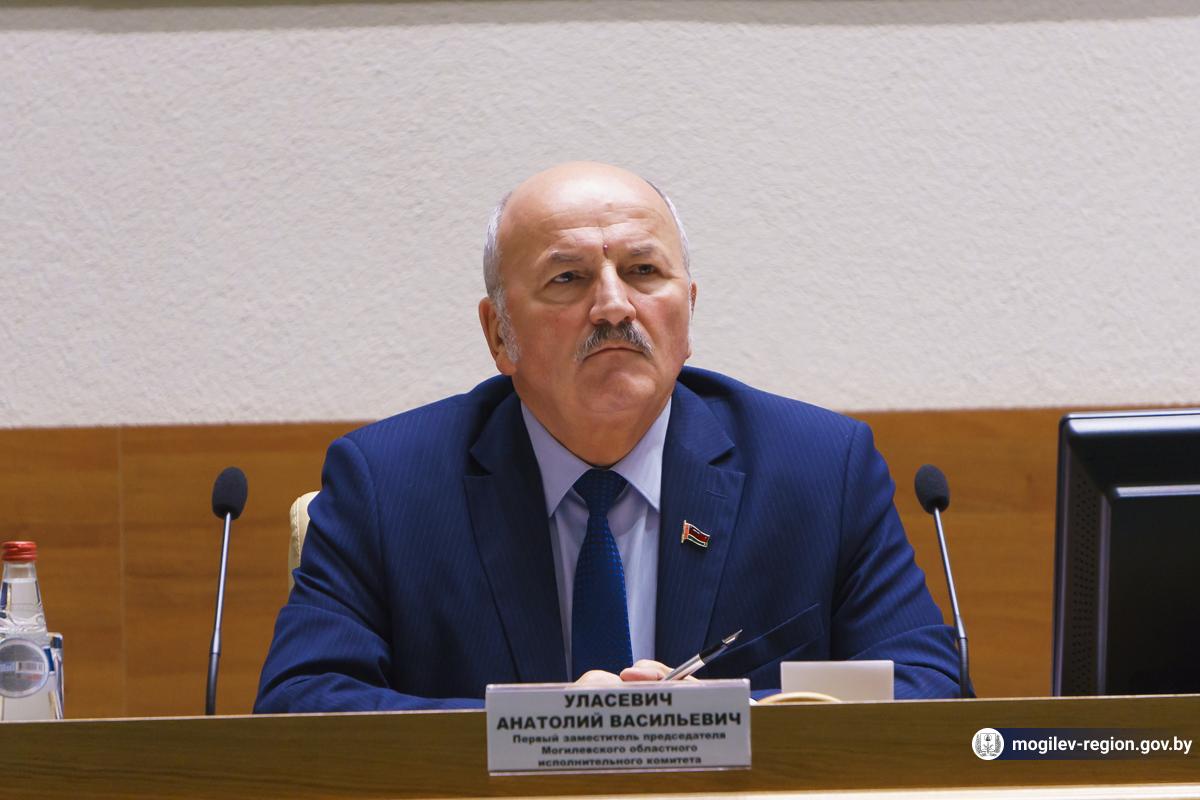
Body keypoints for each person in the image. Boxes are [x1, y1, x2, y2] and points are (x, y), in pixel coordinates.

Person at [254, 162, 961, 713]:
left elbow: (930, 689)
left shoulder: (821, 471)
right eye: (568, 278)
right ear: (499, 333)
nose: (615, 305)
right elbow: (301, 704)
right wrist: (547, 728)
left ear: (687, 312)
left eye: (644, 271)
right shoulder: (388, 485)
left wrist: (722, 721)